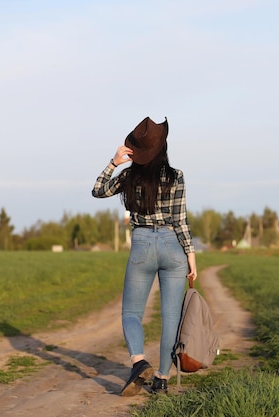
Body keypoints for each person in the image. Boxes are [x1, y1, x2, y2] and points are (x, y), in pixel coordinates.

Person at [91, 116, 197, 396]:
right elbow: (180, 220)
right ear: (163, 146)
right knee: (170, 317)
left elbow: (98, 190)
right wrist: (191, 255)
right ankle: (161, 378)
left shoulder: (128, 176)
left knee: (131, 313)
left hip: (141, 245)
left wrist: (114, 162)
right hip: (172, 246)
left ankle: (138, 362)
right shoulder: (176, 177)